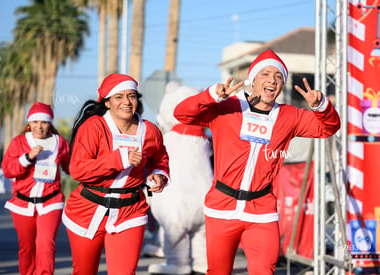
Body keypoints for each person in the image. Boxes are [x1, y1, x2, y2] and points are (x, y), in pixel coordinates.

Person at [173, 48, 341, 275]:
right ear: (253, 80)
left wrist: (321, 106)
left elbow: (329, 127)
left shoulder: (289, 116)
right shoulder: (226, 107)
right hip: (222, 207)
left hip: (261, 211)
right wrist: (211, 95)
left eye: (278, 76)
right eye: (265, 74)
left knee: (264, 271)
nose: (272, 80)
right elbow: (182, 114)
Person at [62, 73, 170, 275]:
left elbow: (160, 157)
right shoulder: (93, 127)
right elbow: (77, 169)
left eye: (131, 96)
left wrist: (159, 174)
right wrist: (120, 159)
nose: (126, 102)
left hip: (130, 211)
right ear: (107, 102)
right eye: (119, 97)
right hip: (87, 209)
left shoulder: (150, 131)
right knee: (84, 271)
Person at [146, 81, 213, 274]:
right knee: (202, 234)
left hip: (176, 202)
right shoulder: (204, 140)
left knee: (174, 228)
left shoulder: (168, 139)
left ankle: (178, 262)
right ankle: (202, 261)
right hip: (205, 201)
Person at [2, 101, 70, 275]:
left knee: (45, 244)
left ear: (50, 124)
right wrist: (27, 157)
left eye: (44, 122)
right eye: (35, 122)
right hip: (22, 204)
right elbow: (8, 170)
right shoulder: (19, 142)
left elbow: (70, 167)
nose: (39, 126)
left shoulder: (60, 143)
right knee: (27, 248)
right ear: (29, 123)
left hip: (51, 201)